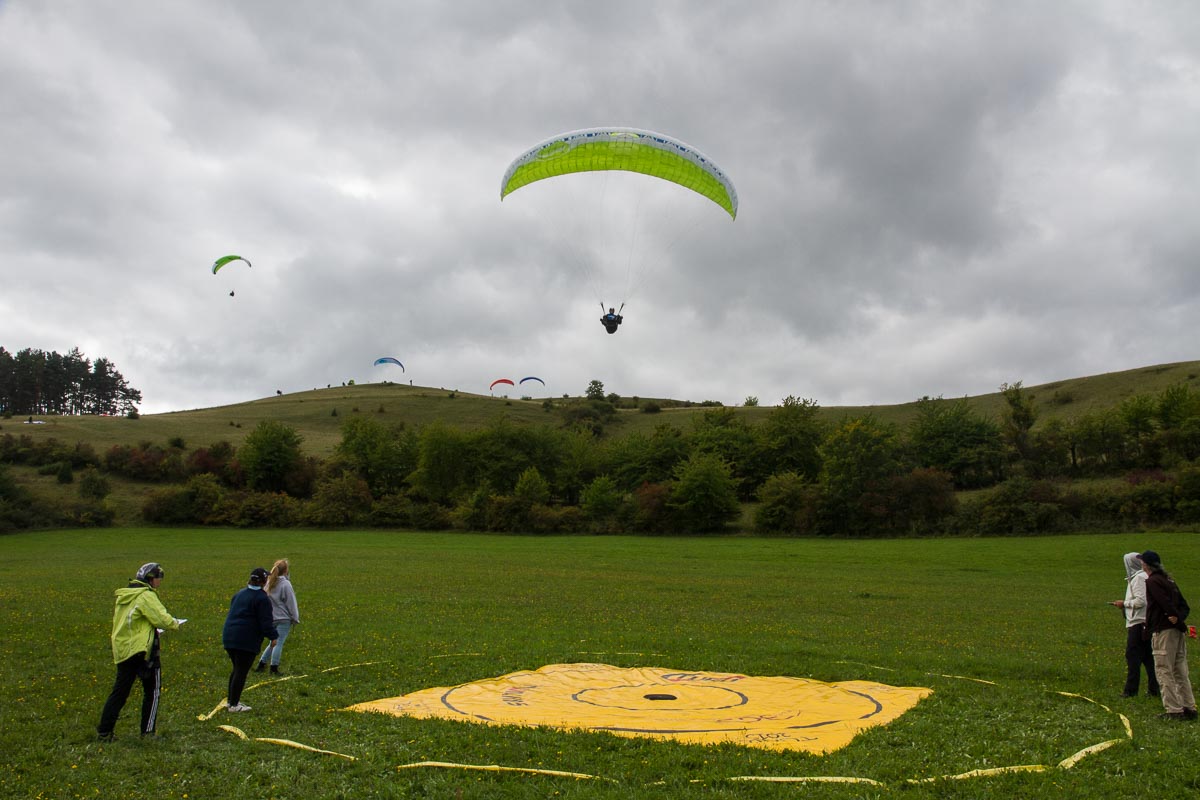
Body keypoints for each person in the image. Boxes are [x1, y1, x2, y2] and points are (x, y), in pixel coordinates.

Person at [96, 562, 186, 740]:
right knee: (152, 691)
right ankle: (148, 732)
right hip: (142, 651)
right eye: (158, 578)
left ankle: (104, 731)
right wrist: (175, 623)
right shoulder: (146, 595)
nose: (160, 582)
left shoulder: (125, 595)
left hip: (124, 649)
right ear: (151, 579)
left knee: (120, 692)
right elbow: (162, 619)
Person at [1140, 549, 1197, 720]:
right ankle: (1189, 707)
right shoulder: (1168, 580)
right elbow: (1184, 606)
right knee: (1180, 670)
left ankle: (1173, 710)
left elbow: (1164, 603)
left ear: (1146, 565)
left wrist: (1176, 619)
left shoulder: (1153, 581)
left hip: (1163, 631)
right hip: (1176, 631)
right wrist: (1180, 621)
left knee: (1164, 669)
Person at [221, 567, 278, 712]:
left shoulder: (239, 594)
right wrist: (273, 636)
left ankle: (231, 701)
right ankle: (234, 705)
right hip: (245, 640)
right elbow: (266, 623)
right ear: (264, 582)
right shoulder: (262, 599)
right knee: (241, 671)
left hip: (229, 637)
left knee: (237, 669)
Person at [1110, 552, 1159, 697]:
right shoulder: (1145, 577)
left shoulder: (1139, 578)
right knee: (1148, 657)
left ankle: (1131, 691)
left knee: (1132, 656)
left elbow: (1141, 601)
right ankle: (1154, 689)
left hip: (1138, 622)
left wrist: (1124, 604)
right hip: (1145, 622)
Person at [256, 559, 300, 675]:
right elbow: (291, 603)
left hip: (271, 618)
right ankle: (274, 667)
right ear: (286, 571)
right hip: (283, 619)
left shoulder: (269, 582)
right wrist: (295, 618)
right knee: (278, 643)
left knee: (273, 642)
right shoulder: (286, 584)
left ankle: (261, 664)